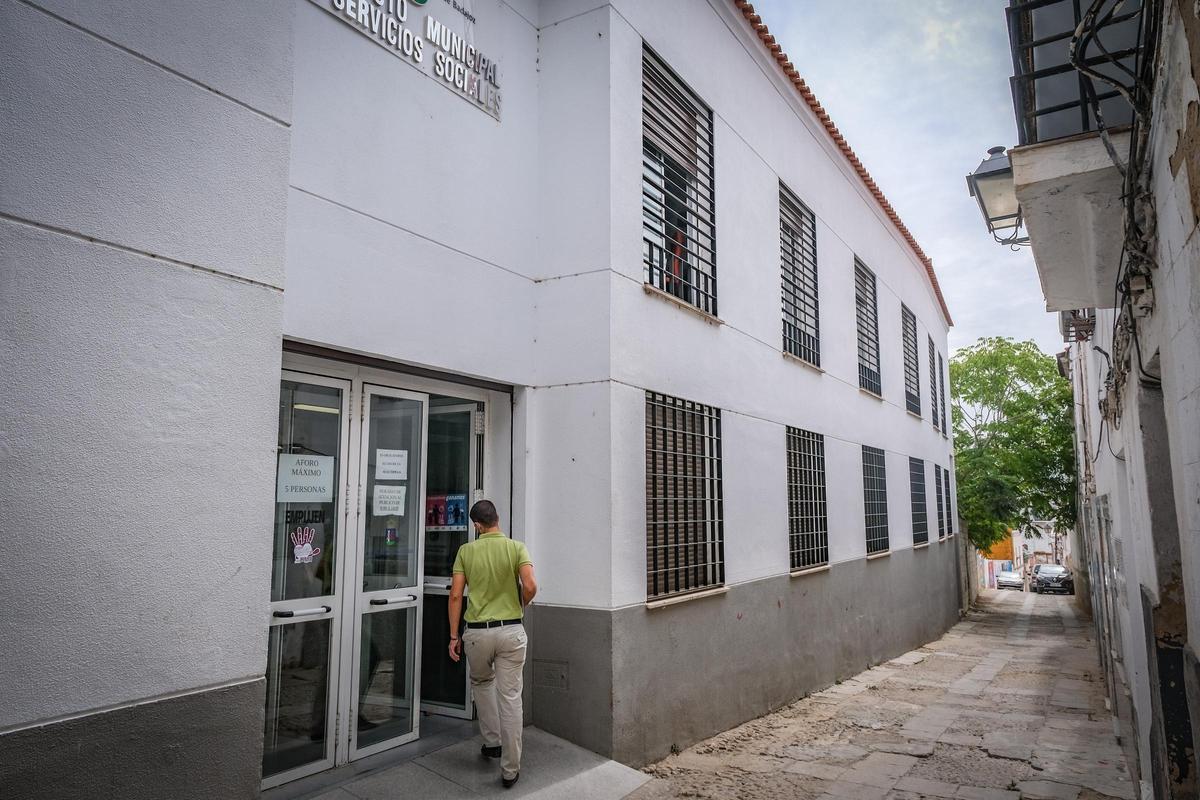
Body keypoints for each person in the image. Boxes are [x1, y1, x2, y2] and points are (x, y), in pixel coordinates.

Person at [448, 500, 536, 789]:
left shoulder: (466, 551)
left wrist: (453, 636)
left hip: (477, 633)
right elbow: (531, 585)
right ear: (497, 519)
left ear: (477, 525)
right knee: (510, 697)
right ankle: (510, 769)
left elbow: (456, 596)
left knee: (482, 684)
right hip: (511, 630)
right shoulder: (516, 547)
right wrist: (518, 606)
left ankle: (492, 742)